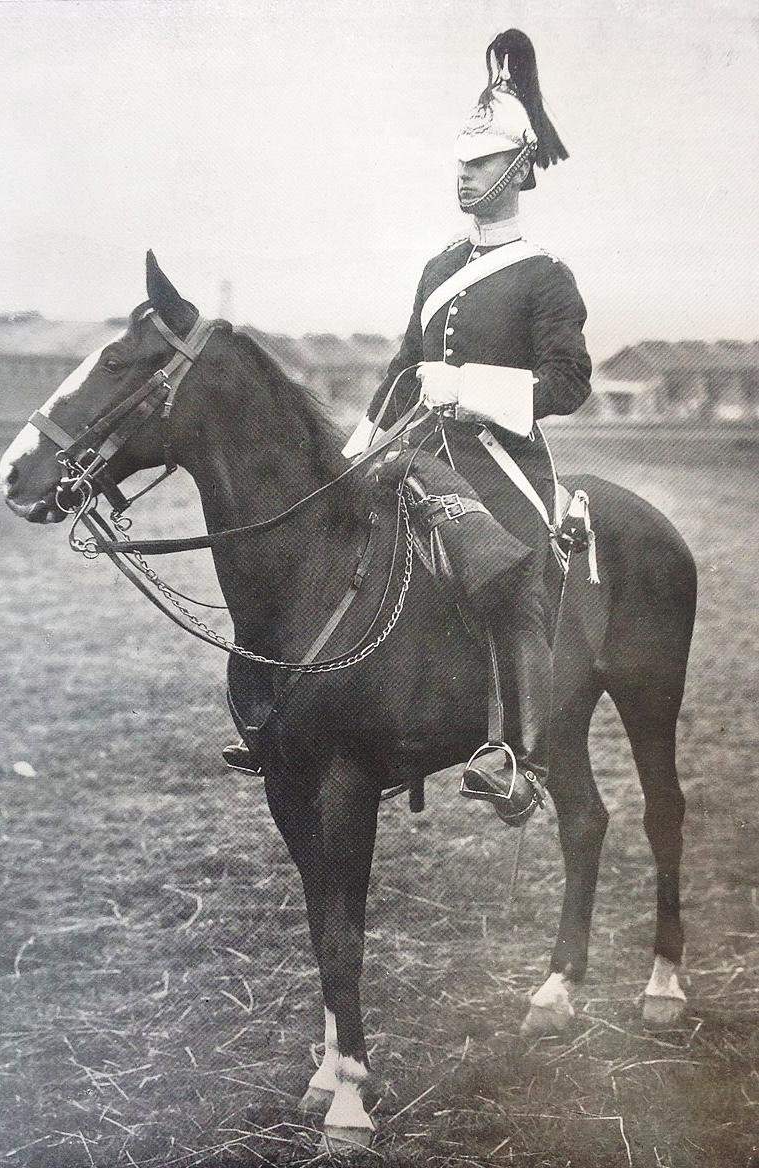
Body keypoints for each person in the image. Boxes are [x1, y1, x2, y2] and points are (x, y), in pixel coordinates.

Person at [341, 28, 592, 813]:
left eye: (479, 162)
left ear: (516, 168)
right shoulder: (439, 265)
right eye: (459, 162)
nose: (463, 174)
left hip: (500, 459)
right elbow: (401, 367)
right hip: (418, 447)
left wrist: (471, 385)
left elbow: (569, 381)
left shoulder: (545, 275)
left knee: (508, 574)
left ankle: (519, 758)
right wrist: (353, 448)